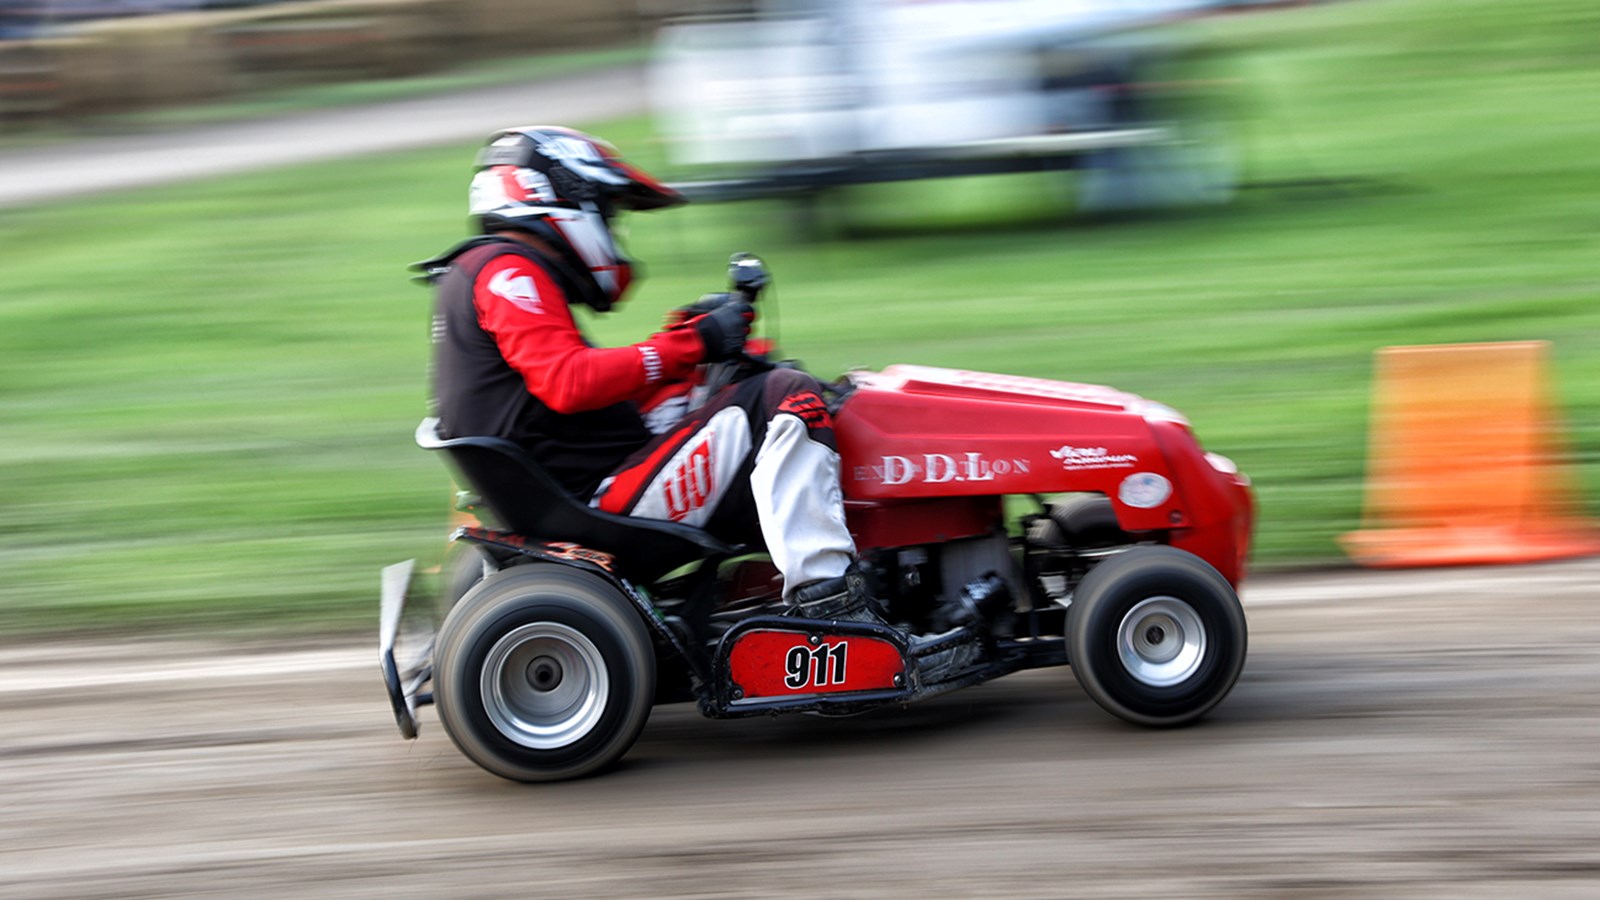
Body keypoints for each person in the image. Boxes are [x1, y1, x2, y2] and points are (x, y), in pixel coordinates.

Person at [419, 126, 884, 623]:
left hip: (568, 488)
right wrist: (693, 343)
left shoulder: (481, 269)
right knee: (787, 396)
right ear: (559, 197)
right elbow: (569, 381)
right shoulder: (508, 270)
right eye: (610, 215)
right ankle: (828, 600)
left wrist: (690, 350)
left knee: (730, 383)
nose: (614, 234)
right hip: (593, 504)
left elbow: (562, 393)